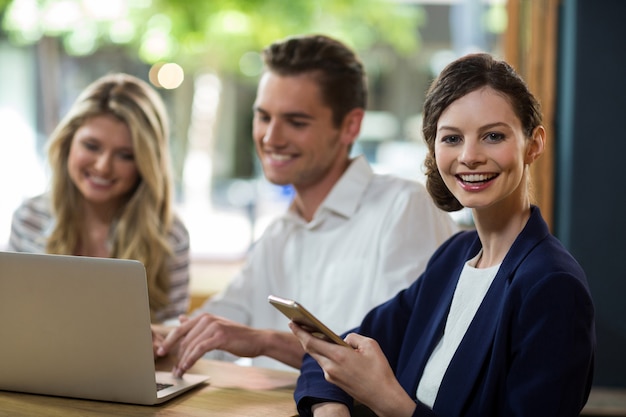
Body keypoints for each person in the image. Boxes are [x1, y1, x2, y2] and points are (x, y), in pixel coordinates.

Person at [290, 52, 596, 417]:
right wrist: (330, 407)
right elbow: (340, 346)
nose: (469, 156)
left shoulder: (553, 286)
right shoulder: (454, 256)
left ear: (534, 144)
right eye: (452, 138)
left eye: (493, 136)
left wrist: (389, 401)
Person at [155, 34, 458, 373]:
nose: (271, 138)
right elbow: (211, 330)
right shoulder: (279, 234)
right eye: (264, 117)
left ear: (350, 126)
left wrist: (263, 341)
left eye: (296, 122)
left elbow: (398, 353)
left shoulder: (404, 207)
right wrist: (147, 337)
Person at [8, 73, 190, 324]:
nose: (103, 167)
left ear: (145, 164)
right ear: (67, 143)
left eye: (125, 155)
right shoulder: (30, 218)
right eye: (92, 146)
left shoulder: (169, 236)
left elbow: (173, 333)